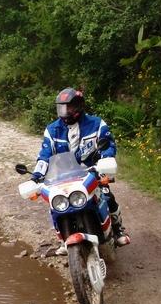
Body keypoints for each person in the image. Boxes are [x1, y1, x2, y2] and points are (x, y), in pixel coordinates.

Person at [31, 87, 130, 251]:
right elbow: (45, 155)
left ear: (78, 106)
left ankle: (118, 229)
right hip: (63, 176)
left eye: (68, 107)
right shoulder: (52, 130)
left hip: (92, 172)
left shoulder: (97, 124)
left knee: (107, 196)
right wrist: (36, 175)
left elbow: (108, 146)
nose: (64, 111)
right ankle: (65, 237)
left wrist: (105, 162)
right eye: (61, 107)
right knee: (56, 204)